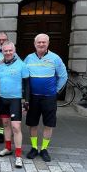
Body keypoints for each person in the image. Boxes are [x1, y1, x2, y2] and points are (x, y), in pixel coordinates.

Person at [24, 33, 67, 162]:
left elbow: (63, 76)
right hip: (33, 97)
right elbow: (24, 75)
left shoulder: (55, 58)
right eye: (39, 42)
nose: (41, 44)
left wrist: (56, 91)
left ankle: (44, 149)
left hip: (49, 97)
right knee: (33, 123)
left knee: (49, 124)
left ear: (48, 43)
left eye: (44, 42)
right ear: (34, 43)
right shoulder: (29, 58)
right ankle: (33, 147)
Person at [0, 41, 30, 168]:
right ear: (2, 52)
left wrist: (26, 101)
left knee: (16, 127)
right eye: (5, 51)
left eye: (10, 50)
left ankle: (18, 155)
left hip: (15, 100)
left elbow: (27, 84)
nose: (8, 53)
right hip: (3, 99)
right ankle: (8, 148)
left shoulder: (22, 65)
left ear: (14, 51)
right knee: (6, 125)